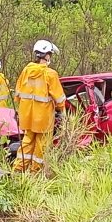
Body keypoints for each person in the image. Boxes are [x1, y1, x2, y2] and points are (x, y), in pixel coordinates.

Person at [12, 39, 66, 173]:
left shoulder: (26, 71)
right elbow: (59, 99)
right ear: (47, 55)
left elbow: (17, 95)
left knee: (26, 144)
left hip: (27, 118)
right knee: (41, 148)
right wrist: (62, 112)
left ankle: (18, 172)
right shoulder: (50, 74)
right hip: (43, 120)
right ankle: (35, 174)